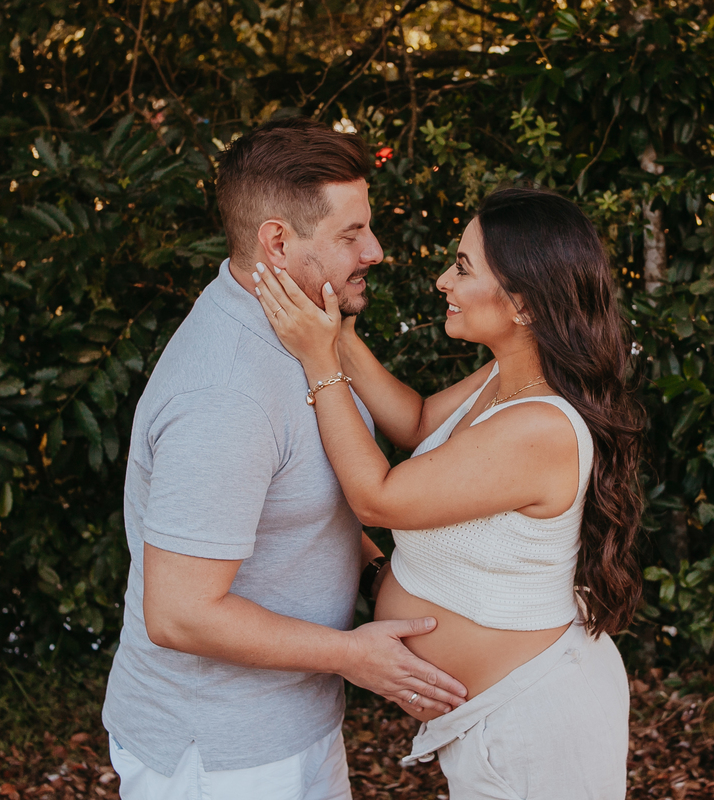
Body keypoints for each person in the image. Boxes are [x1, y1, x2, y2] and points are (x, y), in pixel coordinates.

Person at [101, 117, 467, 800]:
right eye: (351, 234)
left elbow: (292, 499)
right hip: (218, 756)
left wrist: (386, 567)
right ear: (277, 240)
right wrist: (356, 657)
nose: (377, 250)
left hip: (290, 727)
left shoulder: (302, 334)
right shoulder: (225, 395)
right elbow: (180, 613)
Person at [254, 186, 644, 799]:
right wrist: (333, 330)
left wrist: (317, 360)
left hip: (536, 724)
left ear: (524, 303)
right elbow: (414, 423)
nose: (442, 281)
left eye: (462, 268)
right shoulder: (503, 376)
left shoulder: (540, 426)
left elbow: (378, 498)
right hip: (499, 722)